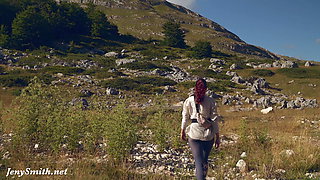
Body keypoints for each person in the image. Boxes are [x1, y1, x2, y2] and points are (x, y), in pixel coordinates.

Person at [181, 78, 220, 180]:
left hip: (194, 132)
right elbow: (215, 119)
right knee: (204, 159)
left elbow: (185, 117)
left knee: (198, 160)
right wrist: (217, 136)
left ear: (195, 88)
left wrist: (182, 130)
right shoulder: (211, 101)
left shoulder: (188, 101)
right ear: (206, 89)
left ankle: (200, 177)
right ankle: (203, 176)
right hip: (208, 134)